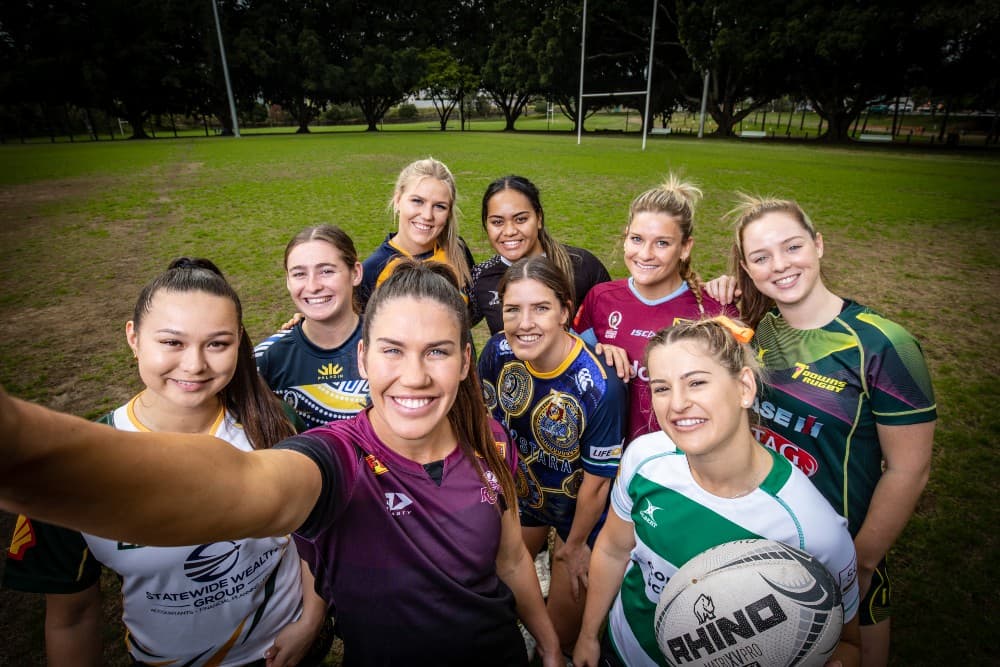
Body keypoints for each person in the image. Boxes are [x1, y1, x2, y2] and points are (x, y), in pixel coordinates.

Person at [0, 260, 563, 667]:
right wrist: (23, 448)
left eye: (437, 352)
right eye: (392, 349)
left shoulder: (489, 439)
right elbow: (241, 486)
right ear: (363, 357)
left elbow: (512, 558)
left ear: (466, 362)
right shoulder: (336, 455)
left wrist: (551, 643)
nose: (414, 376)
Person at [2, 258, 330, 667]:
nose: (194, 364)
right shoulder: (74, 469)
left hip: (286, 650)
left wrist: (311, 620)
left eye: (217, 343)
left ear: (239, 341)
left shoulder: (276, 424)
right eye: (172, 342)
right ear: (133, 338)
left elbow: (316, 535)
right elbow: (72, 617)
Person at [706, 195, 936, 667]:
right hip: (762, 544)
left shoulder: (883, 345)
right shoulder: (756, 329)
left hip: (843, 553)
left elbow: (909, 470)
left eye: (792, 247)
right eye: (761, 257)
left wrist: (862, 563)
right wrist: (718, 296)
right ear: (747, 270)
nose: (780, 266)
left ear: (818, 244)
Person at [573, 317, 862, 667]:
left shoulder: (811, 528)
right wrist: (589, 635)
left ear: (744, 388)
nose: (677, 404)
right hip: (622, 649)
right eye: (662, 388)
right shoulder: (644, 458)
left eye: (696, 382)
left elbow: (847, 642)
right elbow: (613, 550)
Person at [477, 256, 626, 657]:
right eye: (512, 309)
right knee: (497, 593)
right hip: (523, 497)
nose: (524, 323)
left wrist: (575, 545)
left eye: (540, 308)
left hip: (580, 516)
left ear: (565, 311)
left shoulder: (599, 386)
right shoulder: (495, 352)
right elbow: (487, 427)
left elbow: (596, 485)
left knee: (558, 639)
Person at [574, 174, 738, 442]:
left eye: (662, 243)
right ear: (626, 238)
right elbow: (571, 366)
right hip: (608, 462)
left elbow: (733, 398)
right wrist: (595, 352)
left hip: (680, 464)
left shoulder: (713, 310)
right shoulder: (601, 297)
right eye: (637, 239)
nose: (646, 253)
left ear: (685, 248)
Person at [255, 225, 369, 429]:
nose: (313, 286)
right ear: (288, 281)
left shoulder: (389, 344)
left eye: (326, 271)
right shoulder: (266, 358)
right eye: (299, 274)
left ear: (356, 273)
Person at [471, 175, 611, 334]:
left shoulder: (581, 264)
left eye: (521, 219)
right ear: (486, 225)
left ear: (539, 218)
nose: (509, 231)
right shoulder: (481, 276)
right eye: (497, 222)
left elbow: (614, 326)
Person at [357, 157, 475, 310]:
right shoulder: (372, 270)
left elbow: (471, 313)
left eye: (439, 206)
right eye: (417, 201)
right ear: (398, 200)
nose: (427, 215)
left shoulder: (457, 250)